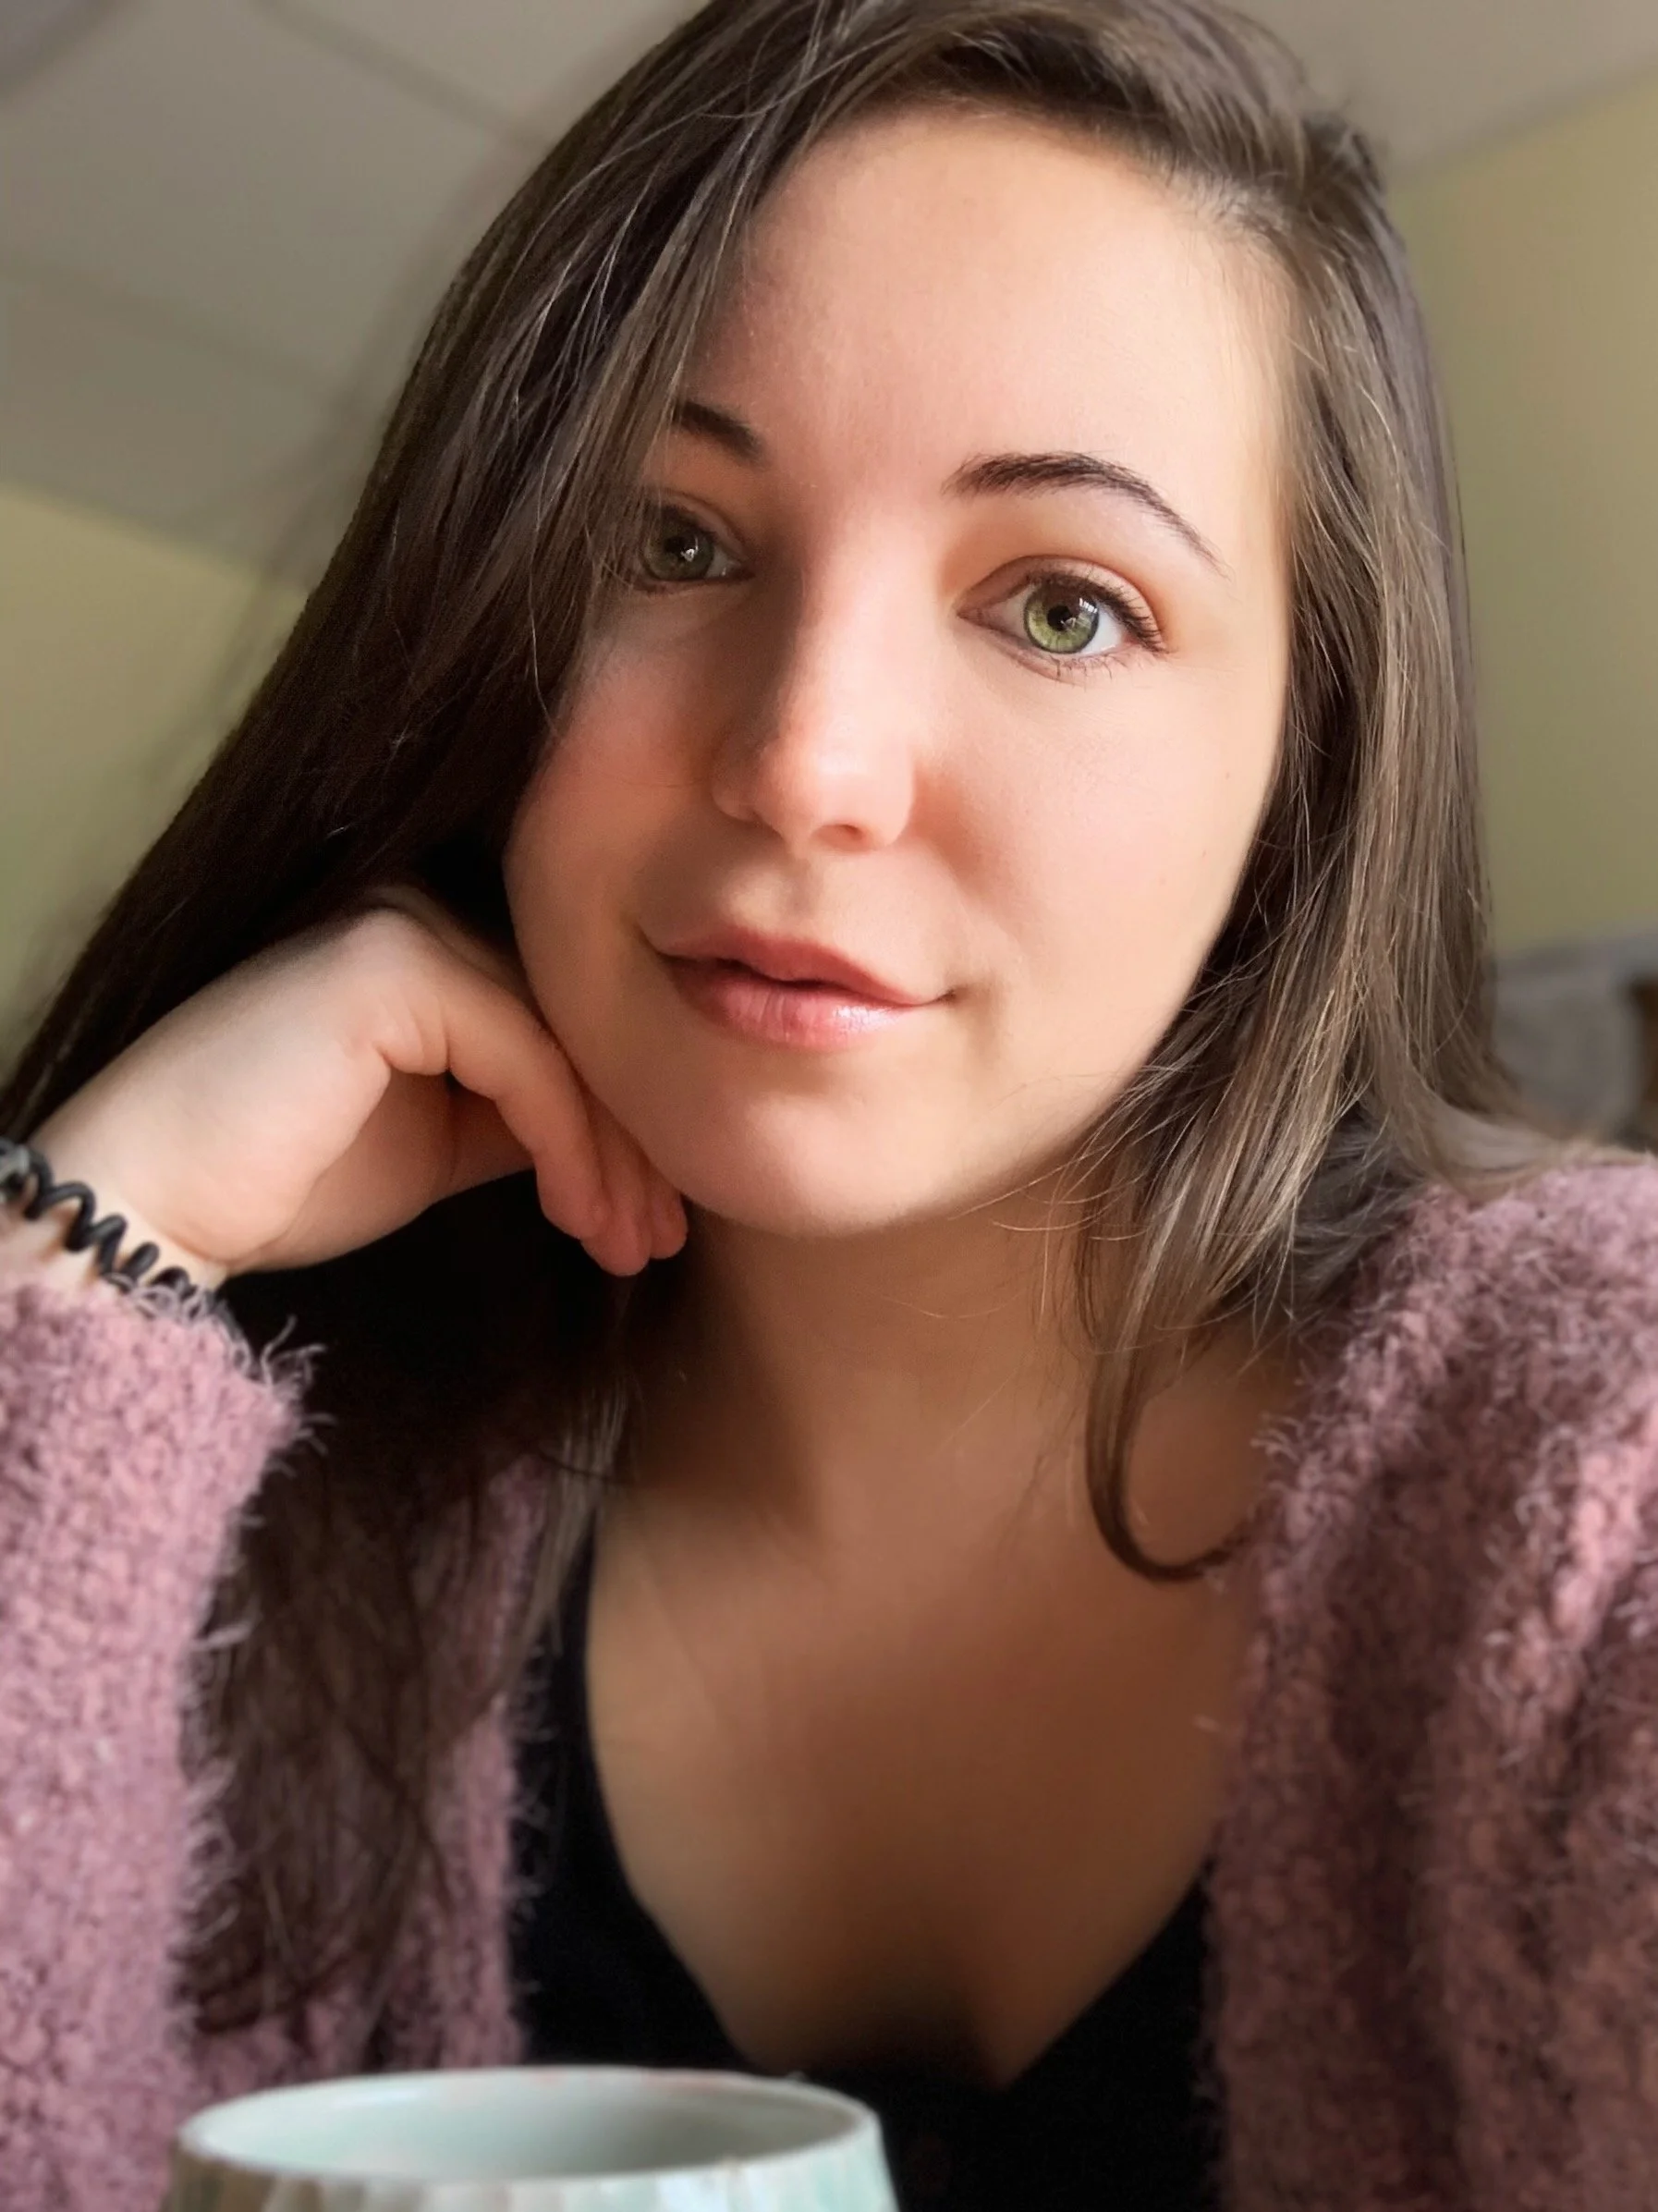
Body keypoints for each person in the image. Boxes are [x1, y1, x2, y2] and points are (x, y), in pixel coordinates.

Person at [2, 0, 1655, 2205]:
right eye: (674, 542)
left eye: (1062, 605)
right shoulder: (271, 1489)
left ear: (1300, 772)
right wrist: (78, 1253)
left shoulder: (1605, 1448)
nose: (804, 759)